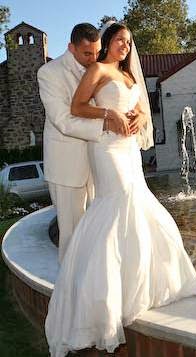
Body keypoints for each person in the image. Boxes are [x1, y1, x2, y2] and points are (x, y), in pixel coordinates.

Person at [44, 22, 196, 357]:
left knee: (138, 206)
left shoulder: (130, 77)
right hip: (106, 147)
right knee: (117, 206)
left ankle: (134, 287)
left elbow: (143, 108)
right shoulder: (98, 69)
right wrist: (109, 114)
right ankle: (91, 301)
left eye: (129, 42)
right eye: (120, 40)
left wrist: (140, 119)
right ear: (106, 44)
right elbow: (74, 109)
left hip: (128, 149)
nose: (125, 46)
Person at [37, 23, 129, 263]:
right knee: (72, 236)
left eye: (96, 53)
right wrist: (106, 125)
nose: (92, 59)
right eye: (87, 53)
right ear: (71, 47)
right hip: (68, 168)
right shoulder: (49, 73)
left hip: (100, 163)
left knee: (98, 233)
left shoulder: (100, 68)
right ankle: (69, 295)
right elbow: (63, 121)